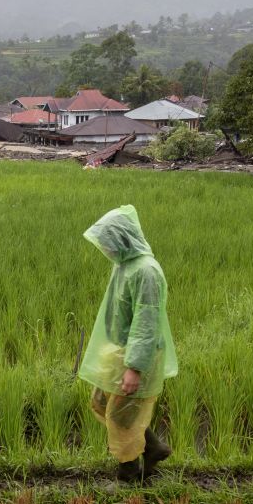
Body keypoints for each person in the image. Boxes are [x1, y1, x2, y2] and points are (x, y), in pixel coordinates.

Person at [79, 205, 177, 481]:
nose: (105, 249)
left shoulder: (146, 272)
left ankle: (128, 478)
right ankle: (154, 446)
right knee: (101, 402)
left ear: (122, 239)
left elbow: (146, 323)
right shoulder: (124, 265)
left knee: (124, 414)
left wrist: (135, 367)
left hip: (137, 355)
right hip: (118, 351)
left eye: (108, 243)